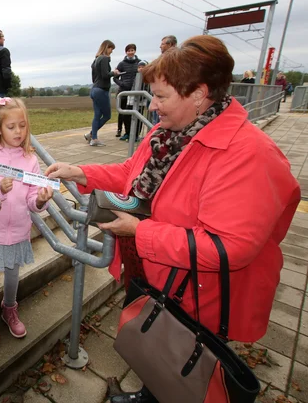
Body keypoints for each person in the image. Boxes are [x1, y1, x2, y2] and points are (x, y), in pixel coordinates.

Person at [46, 35, 301, 403]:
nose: (152, 106)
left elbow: (227, 249)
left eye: (162, 96)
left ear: (198, 94)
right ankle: (149, 395)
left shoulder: (248, 155)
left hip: (203, 295)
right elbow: (131, 174)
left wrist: (140, 232)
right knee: (162, 353)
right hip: (166, 280)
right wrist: (82, 172)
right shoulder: (167, 134)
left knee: (186, 365)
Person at [0, 97, 53, 348]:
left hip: (18, 230)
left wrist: (40, 200)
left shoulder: (30, 160)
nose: (18, 131)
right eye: (11, 127)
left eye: (22, 125)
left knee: (12, 276)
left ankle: (9, 309)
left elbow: (31, 198)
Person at [84, 40, 120, 147]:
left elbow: (94, 77)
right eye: (111, 49)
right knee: (107, 115)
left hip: (94, 89)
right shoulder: (104, 59)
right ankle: (93, 136)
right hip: (101, 90)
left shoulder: (95, 60)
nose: (111, 52)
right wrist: (114, 73)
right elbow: (105, 75)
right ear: (106, 48)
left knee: (97, 115)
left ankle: (92, 136)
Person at [114, 44, 141, 141]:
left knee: (136, 114)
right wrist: (122, 84)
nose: (130, 52)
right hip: (124, 92)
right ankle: (127, 132)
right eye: (128, 50)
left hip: (136, 92)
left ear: (135, 51)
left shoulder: (139, 63)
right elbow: (115, 77)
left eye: (132, 50)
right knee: (125, 114)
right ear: (126, 52)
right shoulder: (122, 64)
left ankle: (136, 134)